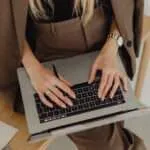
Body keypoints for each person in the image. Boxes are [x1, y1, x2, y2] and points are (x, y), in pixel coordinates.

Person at [0, 0, 146, 149]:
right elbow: (6, 20)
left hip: (104, 46)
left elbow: (124, 6)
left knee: (111, 105)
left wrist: (112, 46)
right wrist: (33, 68)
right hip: (50, 59)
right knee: (102, 136)